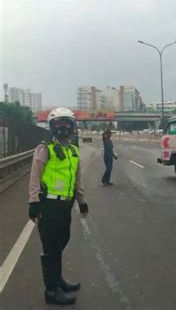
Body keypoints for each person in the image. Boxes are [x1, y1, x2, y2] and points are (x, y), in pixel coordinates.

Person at [28, 107, 88, 305]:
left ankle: (58, 280)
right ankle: (51, 290)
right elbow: (35, 176)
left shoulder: (73, 150)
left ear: (72, 127)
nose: (63, 128)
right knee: (51, 247)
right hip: (48, 205)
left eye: (66, 124)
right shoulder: (45, 148)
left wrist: (82, 201)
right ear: (52, 127)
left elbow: (77, 180)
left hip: (65, 206)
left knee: (61, 243)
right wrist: (34, 203)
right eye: (58, 124)